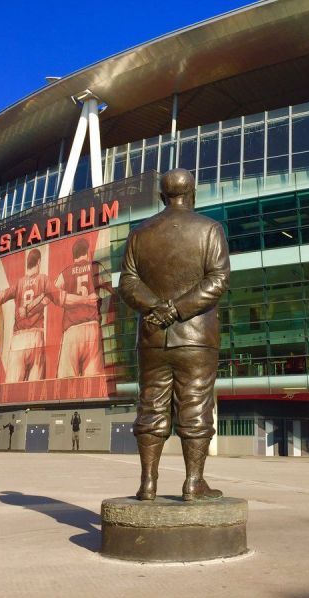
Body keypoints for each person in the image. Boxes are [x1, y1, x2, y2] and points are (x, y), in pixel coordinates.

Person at [119, 168, 230, 501]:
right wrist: (178, 309)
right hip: (195, 338)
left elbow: (127, 282)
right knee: (195, 406)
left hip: (153, 337)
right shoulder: (210, 229)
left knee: (151, 407)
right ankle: (193, 483)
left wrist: (157, 307)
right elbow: (218, 280)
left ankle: (148, 483)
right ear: (192, 193)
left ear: (161, 196)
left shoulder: (140, 233)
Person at [0, 249, 96, 383]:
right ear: (39, 262)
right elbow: (61, 297)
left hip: (18, 338)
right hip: (36, 337)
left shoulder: (18, 284)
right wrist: (86, 299)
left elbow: (0, 296)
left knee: (11, 388)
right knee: (36, 391)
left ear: (28, 264)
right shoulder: (43, 280)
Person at [54, 239, 114, 379]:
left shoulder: (65, 273)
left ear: (73, 256)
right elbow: (114, 287)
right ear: (88, 252)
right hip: (92, 328)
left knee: (66, 385)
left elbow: (54, 295)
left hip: (72, 329)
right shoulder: (95, 267)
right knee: (91, 381)